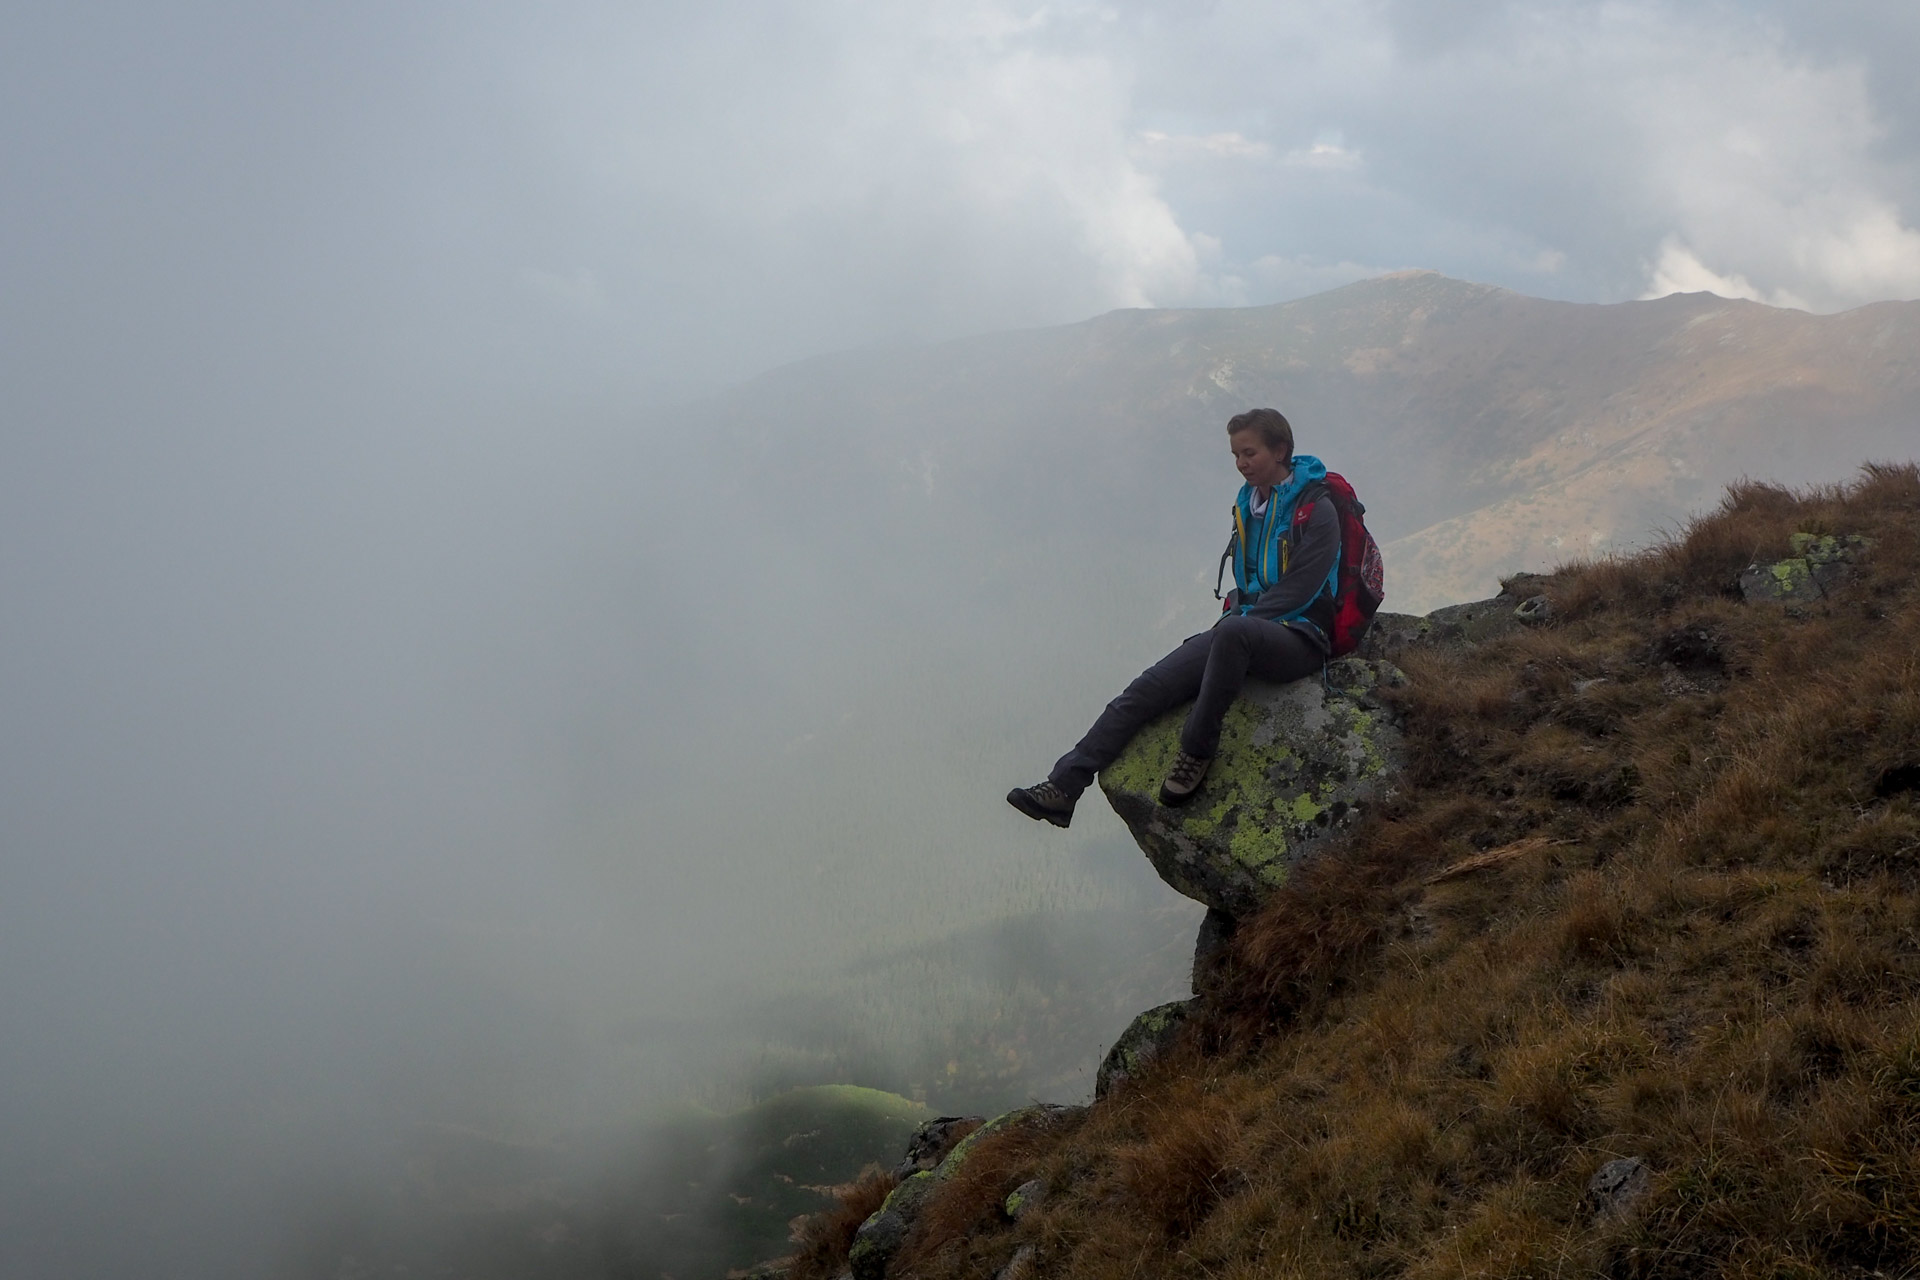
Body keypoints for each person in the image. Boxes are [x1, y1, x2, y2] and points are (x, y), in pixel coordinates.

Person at [1007, 407, 1341, 827]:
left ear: (1281, 450)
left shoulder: (1317, 510)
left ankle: (1196, 750)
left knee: (1232, 632)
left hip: (1302, 637)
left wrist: (1240, 623)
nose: (1241, 463)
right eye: (1235, 454)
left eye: (1249, 453)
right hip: (1245, 629)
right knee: (1150, 686)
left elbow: (1304, 587)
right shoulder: (1251, 504)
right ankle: (1064, 785)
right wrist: (1236, 624)